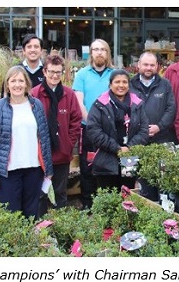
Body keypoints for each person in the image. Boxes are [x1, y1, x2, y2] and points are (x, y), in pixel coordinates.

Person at [0, 66, 53, 220]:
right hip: (8, 172)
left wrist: (48, 170)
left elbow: (44, 138)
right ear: (7, 84)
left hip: (34, 170)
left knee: (32, 214)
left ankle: (32, 244)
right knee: (11, 217)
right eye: (13, 80)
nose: (17, 84)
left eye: (21, 80)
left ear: (27, 84)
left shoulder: (36, 106)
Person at [30, 54, 83, 212]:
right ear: (44, 72)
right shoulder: (35, 94)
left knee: (60, 192)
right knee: (40, 192)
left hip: (61, 153)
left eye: (58, 72)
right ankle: (40, 226)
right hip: (40, 155)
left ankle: (60, 224)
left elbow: (76, 120)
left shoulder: (69, 94)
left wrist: (68, 143)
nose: (54, 76)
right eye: (51, 72)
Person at [86, 69, 149, 193]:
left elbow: (144, 129)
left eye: (124, 82)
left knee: (128, 195)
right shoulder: (100, 104)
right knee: (108, 198)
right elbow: (93, 131)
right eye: (117, 82)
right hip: (106, 160)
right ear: (110, 84)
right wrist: (117, 149)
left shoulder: (137, 104)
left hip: (130, 158)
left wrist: (129, 147)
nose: (121, 85)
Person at [72, 38, 114, 210]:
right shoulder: (82, 74)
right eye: (95, 49)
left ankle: (108, 206)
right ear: (91, 53)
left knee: (109, 167)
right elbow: (79, 101)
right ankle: (88, 205)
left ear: (107, 53)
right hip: (88, 128)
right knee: (87, 167)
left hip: (110, 130)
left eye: (102, 49)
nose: (99, 52)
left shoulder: (114, 74)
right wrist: (92, 123)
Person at [129, 52, 177, 202]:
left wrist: (159, 126)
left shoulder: (165, 85)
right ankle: (144, 209)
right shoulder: (129, 85)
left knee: (163, 179)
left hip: (161, 139)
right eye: (145, 65)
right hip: (137, 141)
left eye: (152, 65)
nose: (148, 68)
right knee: (140, 178)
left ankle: (164, 211)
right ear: (138, 66)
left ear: (157, 66)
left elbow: (171, 108)